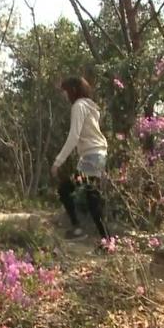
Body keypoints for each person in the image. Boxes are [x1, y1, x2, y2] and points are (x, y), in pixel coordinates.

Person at [51, 76, 110, 241]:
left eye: (65, 91)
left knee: (67, 190)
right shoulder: (89, 106)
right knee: (92, 197)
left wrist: (58, 162)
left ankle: (86, 232)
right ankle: (106, 240)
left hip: (92, 157)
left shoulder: (78, 106)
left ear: (73, 90)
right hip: (95, 156)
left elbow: (74, 136)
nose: (64, 95)